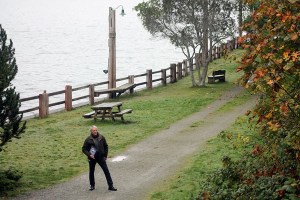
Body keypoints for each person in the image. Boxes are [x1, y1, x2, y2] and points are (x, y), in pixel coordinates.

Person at [82, 125, 117, 191]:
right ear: (91, 131)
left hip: (101, 157)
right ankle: (92, 186)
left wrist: (105, 156)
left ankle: (111, 186)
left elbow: (106, 146)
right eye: (93, 130)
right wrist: (89, 155)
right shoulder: (88, 139)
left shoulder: (102, 137)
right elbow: (84, 149)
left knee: (106, 171)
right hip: (92, 158)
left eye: (96, 130)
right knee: (91, 172)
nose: (95, 131)